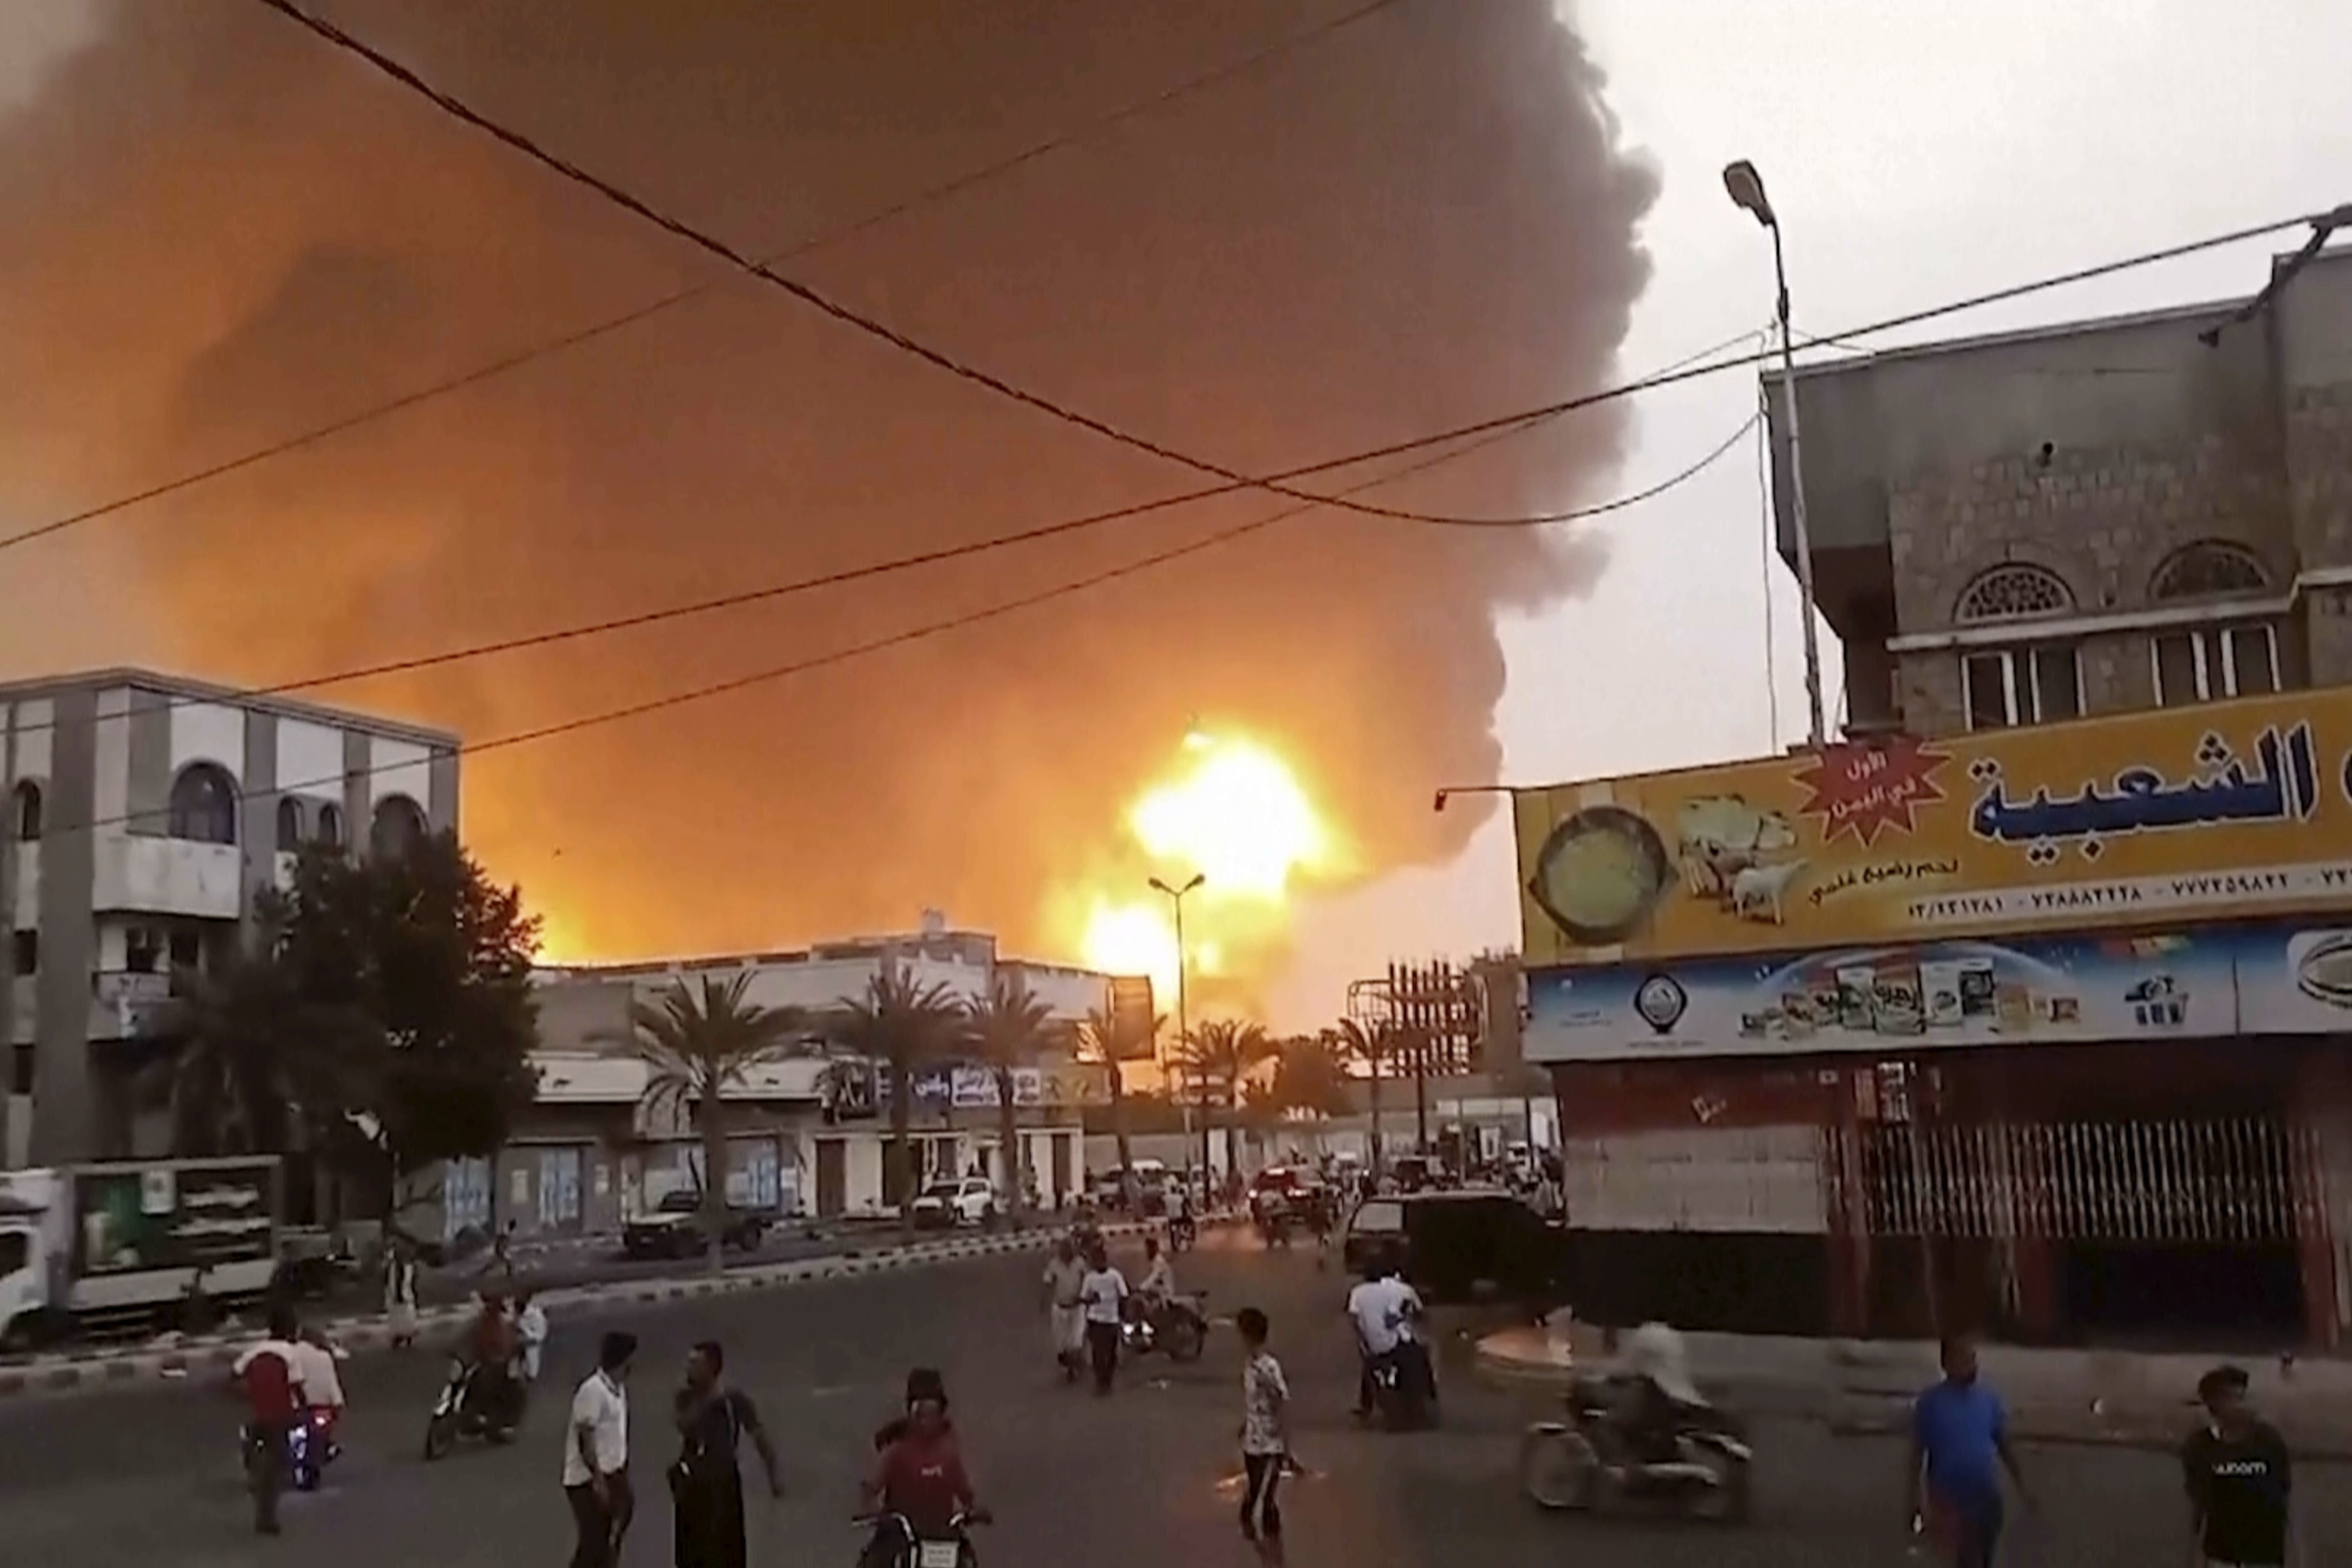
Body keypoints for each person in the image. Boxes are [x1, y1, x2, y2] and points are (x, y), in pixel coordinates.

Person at [1907, 1334, 2029, 1568]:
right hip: (1949, 1498)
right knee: (1968, 1557)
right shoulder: (1931, 1403)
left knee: (1983, 1555)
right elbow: (1916, 1455)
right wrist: (1914, 1500)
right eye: (1964, 1360)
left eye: (1972, 1358)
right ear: (1946, 1364)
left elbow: (2004, 1443)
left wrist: (2023, 1484)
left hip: (1985, 1495)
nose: (1972, 1365)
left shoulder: (1988, 1398)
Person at [670, 1340, 782, 1568]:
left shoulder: (733, 1400)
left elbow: (759, 1436)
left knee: (728, 1553)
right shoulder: (686, 1398)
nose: (688, 1368)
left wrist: (773, 1476)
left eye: (695, 1363)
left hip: (723, 1485)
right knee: (690, 1555)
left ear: (712, 1367)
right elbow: (684, 1425)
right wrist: (709, 1400)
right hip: (692, 1486)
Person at [865, 1368, 983, 1565]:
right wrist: (868, 1508)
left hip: (941, 1537)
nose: (927, 1421)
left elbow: (966, 1493)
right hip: (899, 1535)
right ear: (911, 1414)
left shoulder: (948, 1453)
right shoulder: (897, 1452)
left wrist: (974, 1509)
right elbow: (872, 1488)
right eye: (921, 1414)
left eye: (933, 1413)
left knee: (967, 1562)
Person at [2183, 1364, 2293, 1568]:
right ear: (2214, 1404)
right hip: (2221, 1557)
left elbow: (2284, 1500)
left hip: (2264, 1557)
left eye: (2243, 1397)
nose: (2241, 1405)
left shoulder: (2269, 1442)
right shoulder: (2200, 1447)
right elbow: (2198, 1509)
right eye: (2232, 1398)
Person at [232, 1306, 307, 1535]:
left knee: (264, 1464)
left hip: (258, 1418)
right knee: (277, 1470)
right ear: (290, 1329)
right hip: (280, 1418)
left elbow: (231, 1378)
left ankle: (252, 1463)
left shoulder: (254, 1351)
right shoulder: (290, 1354)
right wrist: (303, 1410)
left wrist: (249, 1396)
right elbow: (297, 1388)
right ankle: (268, 1519)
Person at [565, 1329, 636, 1568]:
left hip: (613, 1474)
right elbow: (586, 1439)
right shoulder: (592, 1390)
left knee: (611, 1536)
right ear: (623, 1360)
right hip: (587, 1480)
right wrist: (598, 1481)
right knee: (594, 1543)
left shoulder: (618, 1388)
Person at [1235, 1308, 1291, 1568]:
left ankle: (1275, 1561)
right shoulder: (1249, 1364)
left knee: (1263, 1508)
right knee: (1251, 1510)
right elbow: (1255, 1403)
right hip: (1252, 1445)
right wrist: (1245, 1425)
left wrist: (1285, 1446)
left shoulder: (1268, 1368)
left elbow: (1281, 1402)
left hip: (1270, 1447)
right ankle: (1268, 1558)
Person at [1344, 1252, 1422, 1418]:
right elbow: (1392, 1317)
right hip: (1391, 1342)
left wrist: (1362, 1339)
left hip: (1370, 1345)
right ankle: (1412, 1399)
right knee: (1412, 1359)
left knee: (1368, 1366)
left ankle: (1366, 1406)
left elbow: (1353, 1319)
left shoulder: (1357, 1293)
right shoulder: (1387, 1293)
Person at [1078, 1238, 1128, 1396]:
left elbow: (1124, 1295)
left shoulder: (1115, 1276)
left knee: (1111, 1352)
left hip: (1112, 1319)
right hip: (1096, 1320)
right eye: (1096, 1260)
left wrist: (1122, 1314)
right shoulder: (1090, 1278)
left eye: (1100, 1260)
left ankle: (1108, 1379)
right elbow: (1083, 1297)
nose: (1098, 1263)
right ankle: (1101, 1381)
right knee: (1099, 1353)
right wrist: (1091, 1300)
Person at [471, 1290, 522, 1432]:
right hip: (483, 1361)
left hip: (499, 1364)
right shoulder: (482, 1322)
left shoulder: (503, 1324)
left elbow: (509, 1343)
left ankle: (496, 1418)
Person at [1040, 1235, 1086, 1383]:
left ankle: (1074, 1367)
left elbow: (1087, 1280)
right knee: (1062, 1344)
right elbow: (1048, 1284)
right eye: (1065, 1248)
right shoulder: (1054, 1265)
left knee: (1076, 1340)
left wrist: (1085, 1296)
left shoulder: (1080, 1263)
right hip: (1060, 1308)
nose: (1068, 1251)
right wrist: (1044, 1302)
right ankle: (1068, 1365)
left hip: (1077, 1307)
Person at [383, 1241, 420, 1349]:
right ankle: (399, 1336)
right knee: (397, 1316)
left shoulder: (405, 1266)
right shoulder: (391, 1266)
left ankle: (407, 1336)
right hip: (396, 1296)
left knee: (405, 1316)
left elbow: (409, 1280)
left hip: (404, 1295)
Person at [518, 1289, 550, 1384]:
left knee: (531, 1368)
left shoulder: (536, 1316)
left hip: (530, 1345)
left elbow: (541, 1335)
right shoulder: (513, 1314)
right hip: (516, 1347)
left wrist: (525, 1333)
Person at [1139, 1235, 1176, 1313]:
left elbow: (1153, 1277)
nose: (1147, 1252)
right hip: (1162, 1289)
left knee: (1146, 1294)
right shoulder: (1156, 1260)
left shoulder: (1159, 1261)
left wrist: (1142, 1287)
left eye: (1148, 1249)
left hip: (1165, 1291)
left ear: (1154, 1249)